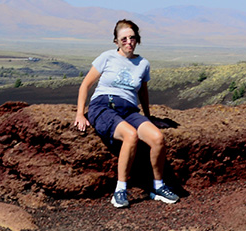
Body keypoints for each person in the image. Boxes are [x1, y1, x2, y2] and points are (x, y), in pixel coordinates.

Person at [73, 19, 180, 208]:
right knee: (130, 135)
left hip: (129, 109)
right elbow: (85, 85)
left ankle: (158, 186)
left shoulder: (143, 64)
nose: (128, 42)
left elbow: (142, 92)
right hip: (103, 105)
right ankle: (120, 190)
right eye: (123, 39)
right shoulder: (107, 57)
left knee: (157, 138)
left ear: (137, 40)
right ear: (116, 41)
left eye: (132, 38)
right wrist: (80, 113)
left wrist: (148, 116)